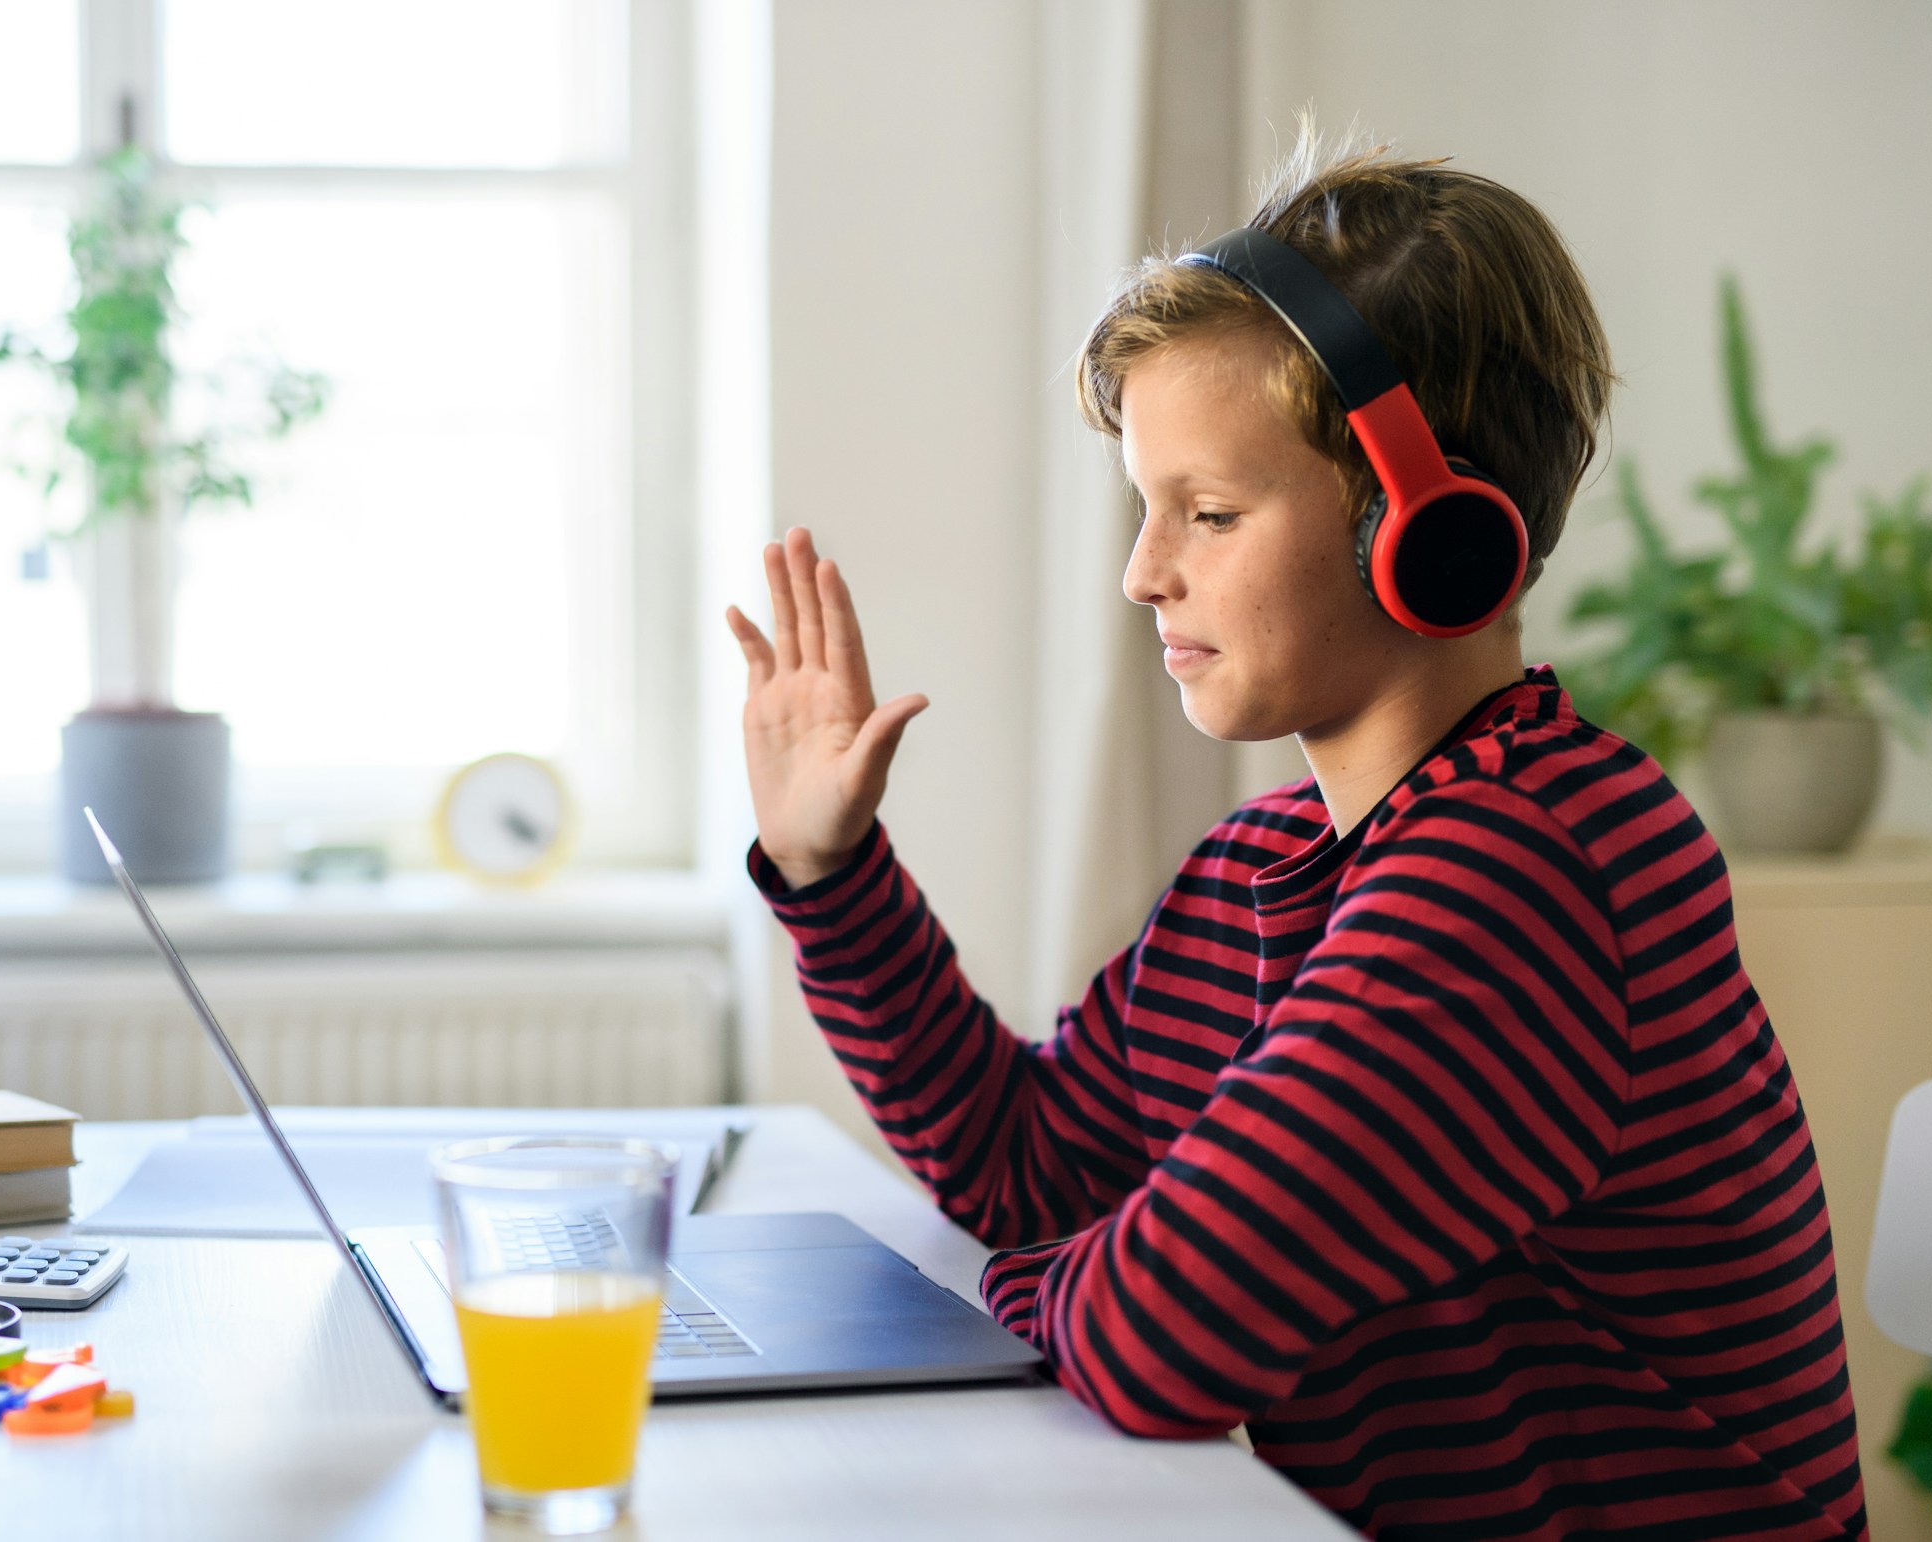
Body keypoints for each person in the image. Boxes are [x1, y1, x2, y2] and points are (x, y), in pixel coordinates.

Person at [725, 133, 1867, 1540]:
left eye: (1207, 512)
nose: (1144, 573)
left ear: (1427, 527)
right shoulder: (1271, 864)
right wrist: (830, 875)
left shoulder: (1523, 873)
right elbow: (1030, 1168)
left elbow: (1160, 1335)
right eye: (1149, 510)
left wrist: (1046, 1283)